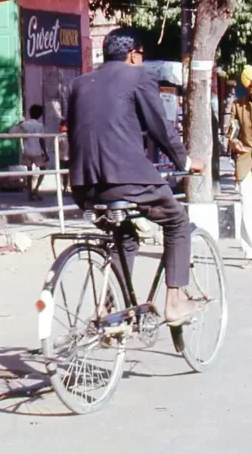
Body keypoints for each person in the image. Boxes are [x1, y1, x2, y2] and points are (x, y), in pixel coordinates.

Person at [67, 27, 204, 325]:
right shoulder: (139, 76)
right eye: (142, 54)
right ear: (133, 54)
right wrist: (186, 160)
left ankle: (110, 309)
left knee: (125, 237)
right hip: (127, 179)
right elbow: (159, 127)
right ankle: (176, 302)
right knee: (177, 221)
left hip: (83, 185)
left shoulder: (79, 83)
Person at [224, 64, 252, 267]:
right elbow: (231, 131)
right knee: (246, 205)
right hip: (245, 160)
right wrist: (234, 142)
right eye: (251, 86)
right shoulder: (238, 105)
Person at [10, 104, 49, 201]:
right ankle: (36, 189)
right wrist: (45, 152)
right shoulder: (40, 125)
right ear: (39, 115)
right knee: (43, 169)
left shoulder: (24, 124)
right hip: (37, 151)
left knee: (29, 172)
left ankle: (30, 193)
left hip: (27, 150)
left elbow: (14, 132)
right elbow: (41, 140)